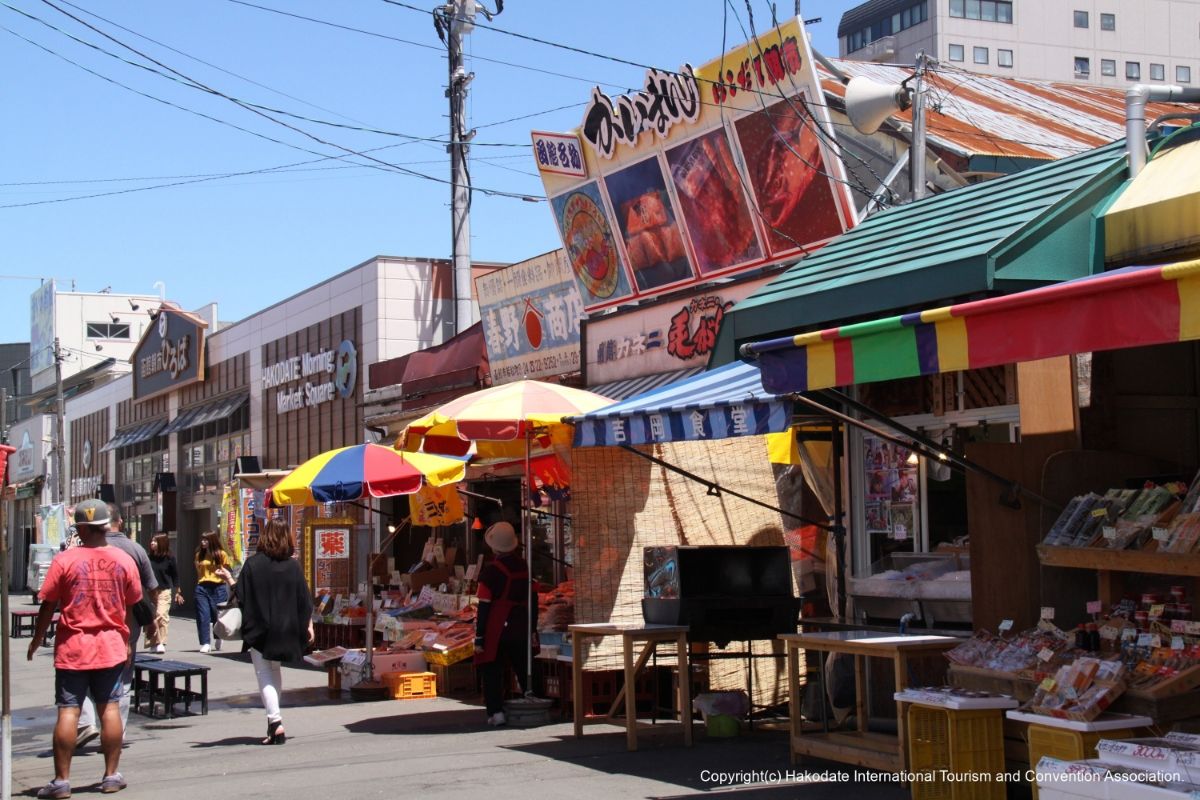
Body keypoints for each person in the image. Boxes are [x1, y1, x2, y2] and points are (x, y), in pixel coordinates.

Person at [27, 499, 141, 798]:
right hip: (111, 646)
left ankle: (62, 781)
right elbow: (130, 604)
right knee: (110, 708)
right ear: (106, 526)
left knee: (68, 711)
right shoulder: (123, 560)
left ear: (79, 527)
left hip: (72, 647)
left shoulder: (65, 560)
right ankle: (111, 776)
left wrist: (38, 638)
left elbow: (47, 604)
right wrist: (126, 639)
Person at [76, 504, 156, 748]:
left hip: (88, 622)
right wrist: (152, 622)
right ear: (119, 522)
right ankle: (116, 735)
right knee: (122, 680)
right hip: (127, 625)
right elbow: (151, 588)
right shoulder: (135, 550)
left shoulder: (82, 550)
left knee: (84, 676)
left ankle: (88, 722)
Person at [234, 517, 314, 745]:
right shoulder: (293, 566)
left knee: (264, 672)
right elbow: (305, 601)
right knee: (275, 669)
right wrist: (307, 625)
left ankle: (275, 721)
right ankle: (273, 723)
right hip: (287, 628)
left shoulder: (252, 564)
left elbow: (241, 595)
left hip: (260, 628)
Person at [474, 521, 538, 728]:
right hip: (521, 623)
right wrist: (533, 626)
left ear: (494, 546)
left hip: (496, 626)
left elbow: (483, 606)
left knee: (491, 670)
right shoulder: (524, 566)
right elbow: (534, 598)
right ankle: (535, 702)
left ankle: (496, 712)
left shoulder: (490, 572)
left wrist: (480, 637)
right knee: (523, 665)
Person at [145, 534, 183, 654]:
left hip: (164, 590)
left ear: (162, 543)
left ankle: (161, 642)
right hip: (150, 591)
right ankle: (152, 642)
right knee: (151, 617)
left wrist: (178, 592)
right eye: (152, 541)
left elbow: (175, 575)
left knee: (161, 615)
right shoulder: (148, 558)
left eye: (155, 541)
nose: (152, 543)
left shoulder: (169, 558)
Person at [194, 532, 230, 654]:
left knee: (217, 615)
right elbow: (198, 571)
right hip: (202, 587)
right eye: (202, 540)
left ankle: (218, 636)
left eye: (206, 540)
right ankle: (205, 642)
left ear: (212, 541)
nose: (203, 542)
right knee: (203, 615)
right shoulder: (199, 555)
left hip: (218, 587)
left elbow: (226, 570)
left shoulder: (222, 554)